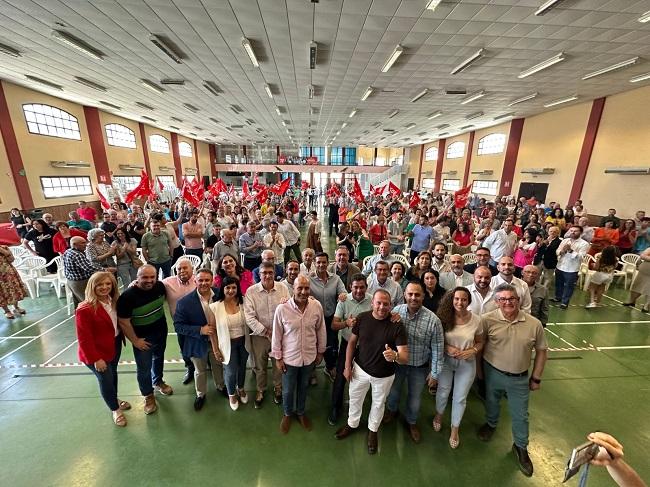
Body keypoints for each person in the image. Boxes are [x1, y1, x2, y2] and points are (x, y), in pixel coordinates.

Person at [477, 284, 548, 478]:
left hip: (519, 378)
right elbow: (480, 347)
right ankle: (491, 424)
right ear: (496, 302)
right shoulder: (487, 320)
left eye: (512, 298)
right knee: (491, 402)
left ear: (519, 300)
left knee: (520, 414)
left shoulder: (534, 324)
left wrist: (536, 377)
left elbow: (542, 351)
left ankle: (521, 447)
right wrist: (480, 373)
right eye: (503, 299)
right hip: (492, 372)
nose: (508, 302)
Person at [335, 290, 409, 455]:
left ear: (391, 305)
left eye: (386, 304)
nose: (382, 307)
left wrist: (395, 355)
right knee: (355, 399)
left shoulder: (396, 324)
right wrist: (347, 366)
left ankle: (373, 430)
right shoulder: (362, 318)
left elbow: (404, 357)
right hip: (360, 369)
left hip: (384, 376)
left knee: (378, 403)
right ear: (372, 303)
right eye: (379, 303)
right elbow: (352, 342)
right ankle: (352, 424)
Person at [384, 281, 444, 444]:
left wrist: (435, 373)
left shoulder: (433, 320)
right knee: (394, 391)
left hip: (419, 366)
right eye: (410, 294)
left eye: (417, 295)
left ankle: (411, 422)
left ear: (423, 296)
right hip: (398, 364)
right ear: (404, 295)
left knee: (415, 398)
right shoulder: (396, 311)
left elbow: (438, 348)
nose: (413, 298)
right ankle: (391, 410)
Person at [271, 275, 326, 434]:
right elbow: (277, 335)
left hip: (309, 357)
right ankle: (288, 414)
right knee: (288, 390)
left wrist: (320, 351)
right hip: (289, 359)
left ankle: (301, 412)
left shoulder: (316, 306)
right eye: (299, 288)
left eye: (306, 288)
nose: (303, 291)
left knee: (303, 387)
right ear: (293, 289)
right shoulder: (282, 309)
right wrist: (278, 357)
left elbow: (321, 329)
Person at [75, 271, 130, 426]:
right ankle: (115, 409)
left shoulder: (114, 301)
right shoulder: (84, 309)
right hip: (96, 352)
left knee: (113, 375)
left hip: (115, 344)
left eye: (108, 284)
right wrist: (96, 359)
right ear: (92, 286)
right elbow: (84, 339)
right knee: (105, 379)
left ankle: (115, 399)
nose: (104, 287)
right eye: (100, 284)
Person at [117, 265, 173, 415]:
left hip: (161, 331)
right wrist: (135, 341)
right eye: (145, 277)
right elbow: (123, 321)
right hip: (143, 339)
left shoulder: (160, 287)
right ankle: (148, 395)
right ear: (137, 277)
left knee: (159, 357)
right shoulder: (127, 297)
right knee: (144, 368)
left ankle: (158, 381)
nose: (149, 280)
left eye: (152, 277)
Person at [433, 287, 483, 449]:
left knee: (460, 398)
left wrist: (472, 351)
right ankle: (439, 415)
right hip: (446, 361)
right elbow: (437, 339)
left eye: (463, 299)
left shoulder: (476, 320)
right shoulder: (444, 317)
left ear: (468, 301)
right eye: (456, 299)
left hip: (467, 364)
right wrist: (447, 348)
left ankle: (455, 428)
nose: (459, 302)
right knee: (443, 390)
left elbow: (480, 341)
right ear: (451, 300)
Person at [244, 261, 290, 408]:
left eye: (270, 272)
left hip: (280, 335)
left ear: (274, 273)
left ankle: (278, 388)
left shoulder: (283, 289)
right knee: (260, 365)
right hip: (259, 336)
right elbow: (249, 317)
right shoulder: (251, 292)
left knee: (278, 364)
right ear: (259, 274)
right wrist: (265, 331)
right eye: (264, 273)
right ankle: (260, 390)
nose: (268, 275)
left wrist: (277, 332)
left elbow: (289, 309)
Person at [173, 268, 220, 411]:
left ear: (212, 281)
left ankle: (221, 386)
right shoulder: (184, 302)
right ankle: (201, 394)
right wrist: (200, 330)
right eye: (201, 280)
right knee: (200, 371)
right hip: (197, 342)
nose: (204, 283)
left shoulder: (220, 295)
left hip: (217, 341)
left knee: (218, 366)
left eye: (207, 280)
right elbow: (178, 326)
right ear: (195, 281)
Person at [329, 274, 372, 425]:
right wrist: (346, 323)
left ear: (366, 287)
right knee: (341, 376)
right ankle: (335, 407)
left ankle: (366, 408)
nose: (359, 290)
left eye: (362, 287)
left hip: (367, 346)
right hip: (347, 344)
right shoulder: (344, 300)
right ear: (350, 287)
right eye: (356, 287)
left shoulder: (373, 300)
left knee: (368, 377)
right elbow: (334, 325)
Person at [210, 275, 250, 411]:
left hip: (243, 342)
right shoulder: (215, 307)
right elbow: (212, 331)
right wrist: (215, 350)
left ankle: (241, 388)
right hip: (228, 344)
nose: (231, 290)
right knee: (231, 371)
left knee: (243, 367)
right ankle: (232, 394)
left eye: (234, 287)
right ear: (223, 289)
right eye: (228, 287)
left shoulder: (243, 302)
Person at [310, 252, 347, 381]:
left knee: (332, 344)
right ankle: (311, 371)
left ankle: (330, 367)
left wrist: (342, 295)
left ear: (328, 263)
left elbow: (343, 292)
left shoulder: (335, 279)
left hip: (330, 317)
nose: (321, 265)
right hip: (314, 319)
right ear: (314, 263)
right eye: (318, 262)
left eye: (324, 262)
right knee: (313, 343)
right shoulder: (309, 279)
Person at [63, 236, 115, 307]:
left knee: (78, 303)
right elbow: (89, 268)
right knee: (88, 303)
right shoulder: (77, 254)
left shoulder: (68, 251)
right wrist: (106, 270)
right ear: (75, 245)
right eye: (83, 243)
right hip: (80, 283)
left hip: (71, 281)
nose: (86, 244)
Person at [553, 225, 591, 309]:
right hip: (560, 265)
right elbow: (557, 250)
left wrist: (570, 250)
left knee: (568, 286)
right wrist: (561, 251)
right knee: (558, 283)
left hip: (572, 268)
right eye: (571, 231)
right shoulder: (565, 240)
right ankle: (558, 297)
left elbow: (582, 257)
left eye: (575, 231)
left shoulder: (584, 244)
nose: (573, 232)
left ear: (580, 233)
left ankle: (564, 302)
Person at [0, 244, 28, 319]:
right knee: (1, 293)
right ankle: (6, 311)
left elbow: (12, 260)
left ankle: (16, 307)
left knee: (14, 290)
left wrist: (4, 252)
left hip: (9, 273)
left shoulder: (4, 247)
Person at [623, 247, 650, 311]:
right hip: (644, 271)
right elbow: (642, 255)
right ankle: (631, 301)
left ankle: (646, 305)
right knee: (637, 285)